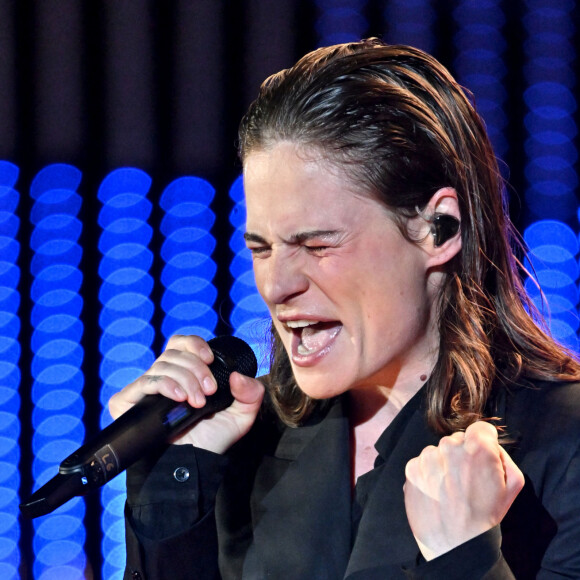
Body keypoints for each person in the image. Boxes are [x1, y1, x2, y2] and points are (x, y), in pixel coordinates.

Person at [110, 38, 580, 579]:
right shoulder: (243, 443)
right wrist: (176, 485)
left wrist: (465, 559)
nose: (276, 285)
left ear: (438, 229)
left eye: (317, 245)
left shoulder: (561, 446)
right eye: (261, 248)